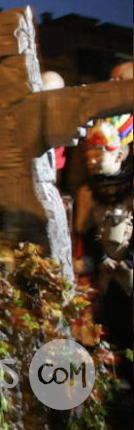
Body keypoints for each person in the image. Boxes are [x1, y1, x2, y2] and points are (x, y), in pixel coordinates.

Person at [81, 119, 133, 355]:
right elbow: (87, 231)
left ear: (118, 155)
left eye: (98, 155)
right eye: (88, 156)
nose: (91, 162)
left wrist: (129, 260)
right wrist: (101, 258)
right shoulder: (87, 192)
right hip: (104, 275)